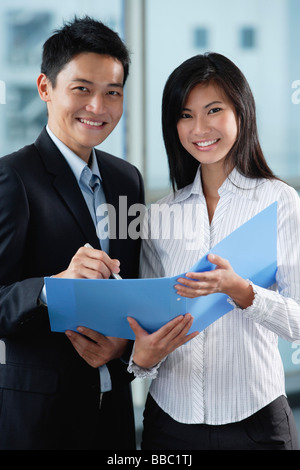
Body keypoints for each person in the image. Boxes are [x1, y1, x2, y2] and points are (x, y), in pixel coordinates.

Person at [127, 53, 300, 450]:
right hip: (169, 422)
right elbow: (150, 326)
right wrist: (143, 359)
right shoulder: (159, 216)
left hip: (255, 422)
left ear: (241, 112)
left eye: (214, 110)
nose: (199, 128)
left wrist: (244, 293)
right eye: (186, 115)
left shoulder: (279, 201)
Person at [0, 16, 146, 450]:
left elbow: (131, 284)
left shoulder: (127, 180)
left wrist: (125, 345)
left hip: (116, 411)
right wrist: (51, 288)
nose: (98, 107)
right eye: (81, 89)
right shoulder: (13, 178)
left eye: (112, 93)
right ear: (45, 88)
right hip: (40, 420)